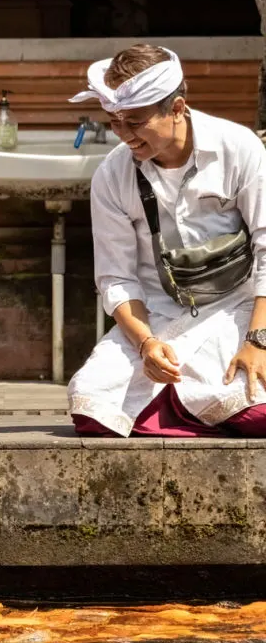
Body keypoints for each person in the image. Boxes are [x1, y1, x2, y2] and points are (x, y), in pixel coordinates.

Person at [68, 43, 266, 437]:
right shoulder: (112, 175)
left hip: (239, 309)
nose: (124, 135)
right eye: (114, 121)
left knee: (255, 411)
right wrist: (145, 344)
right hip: (156, 315)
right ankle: (182, 404)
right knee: (92, 411)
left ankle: (182, 404)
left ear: (176, 108)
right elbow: (116, 278)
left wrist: (258, 340)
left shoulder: (238, 148)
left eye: (135, 122)